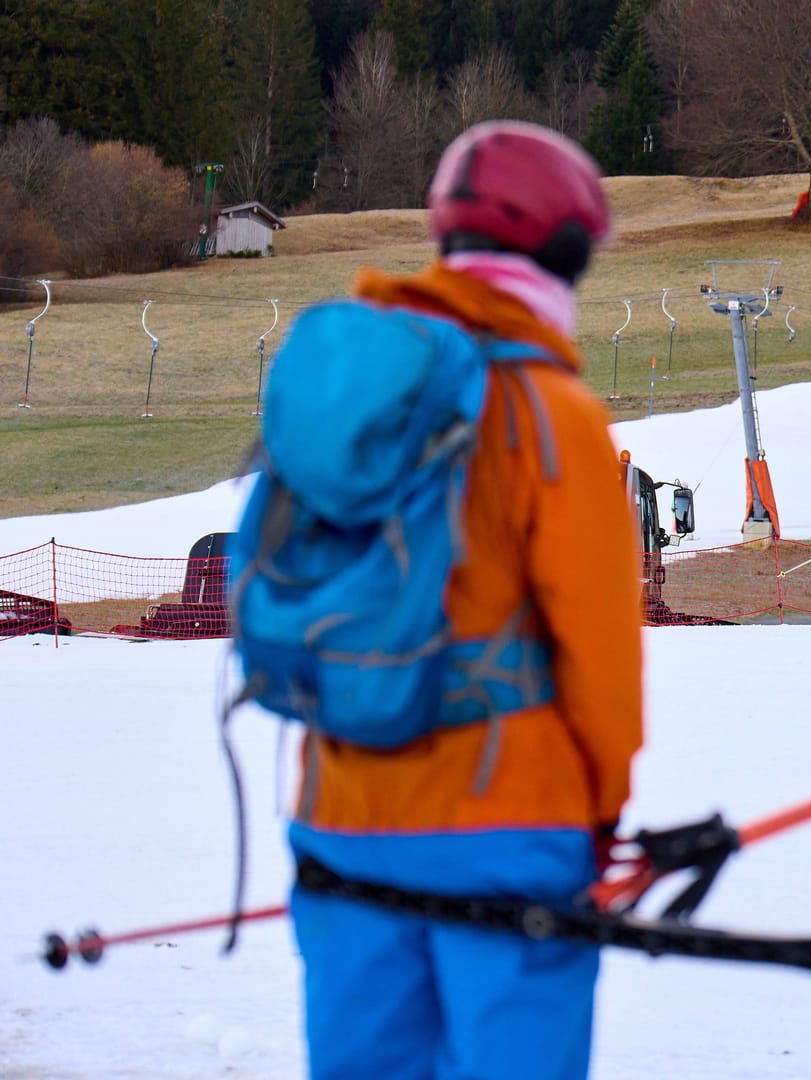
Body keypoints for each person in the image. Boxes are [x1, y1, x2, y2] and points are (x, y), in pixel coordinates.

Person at [283, 121, 639, 1080]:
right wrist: (601, 814)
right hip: (506, 826)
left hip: (339, 811)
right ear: (567, 254)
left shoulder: (353, 394)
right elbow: (601, 659)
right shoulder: (553, 416)